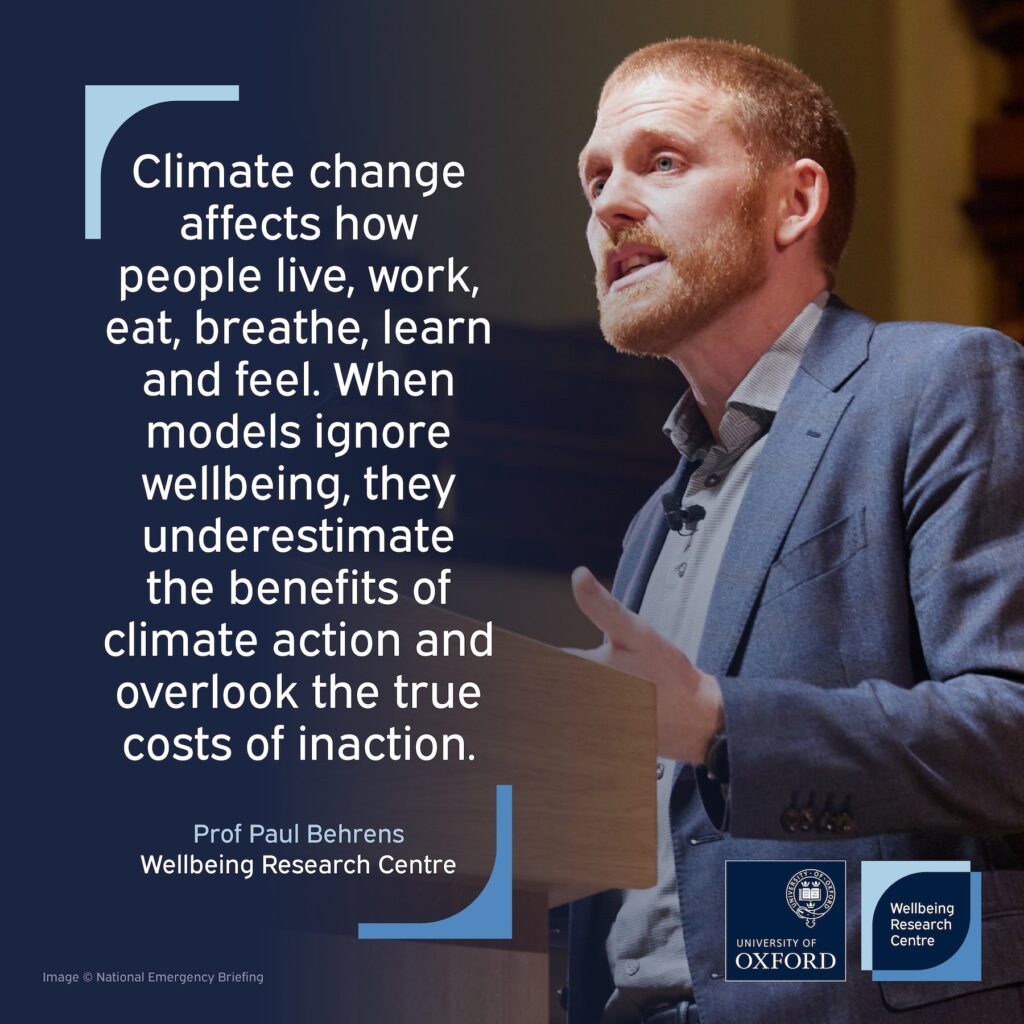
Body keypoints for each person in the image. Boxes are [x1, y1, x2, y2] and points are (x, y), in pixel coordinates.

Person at [563, 37, 1024, 1024]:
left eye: (661, 161)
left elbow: (1011, 727)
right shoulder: (650, 522)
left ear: (794, 202)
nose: (608, 206)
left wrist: (718, 719)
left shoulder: (942, 385)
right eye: (595, 179)